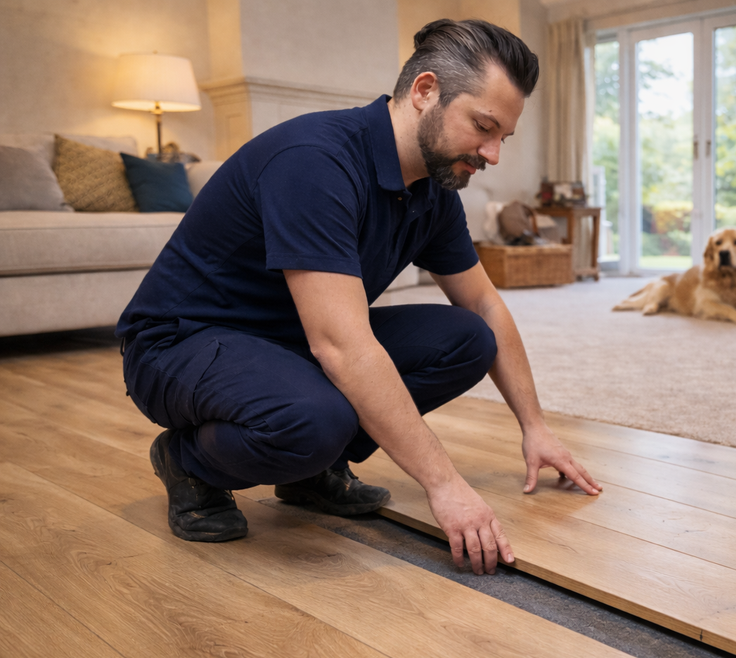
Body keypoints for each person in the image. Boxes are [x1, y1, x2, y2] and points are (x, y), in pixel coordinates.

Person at [116, 18, 601, 576]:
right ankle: (188, 463)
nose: (493, 154)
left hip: (287, 340)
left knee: (469, 340)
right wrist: (444, 485)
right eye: (483, 127)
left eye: (503, 138)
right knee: (312, 418)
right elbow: (342, 347)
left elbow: (485, 305)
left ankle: (308, 473)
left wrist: (534, 425)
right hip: (182, 344)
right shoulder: (314, 162)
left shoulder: (435, 188)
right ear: (424, 92)